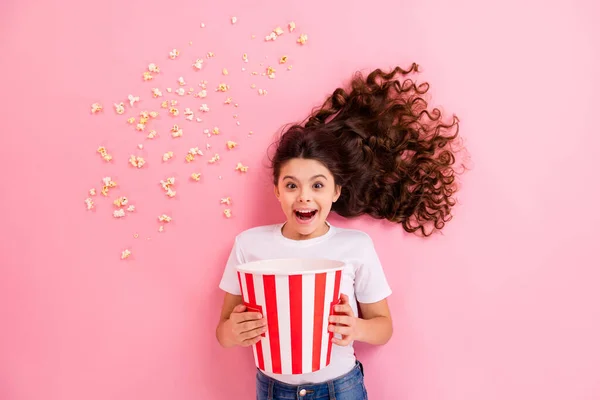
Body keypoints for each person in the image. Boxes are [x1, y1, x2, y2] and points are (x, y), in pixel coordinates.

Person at [215, 63, 465, 399]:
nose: (304, 195)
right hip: (273, 389)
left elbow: (383, 328)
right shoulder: (249, 245)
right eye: (291, 185)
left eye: (317, 185)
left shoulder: (355, 246)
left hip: (339, 388)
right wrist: (235, 331)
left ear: (335, 192)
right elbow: (223, 332)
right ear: (277, 190)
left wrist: (356, 326)